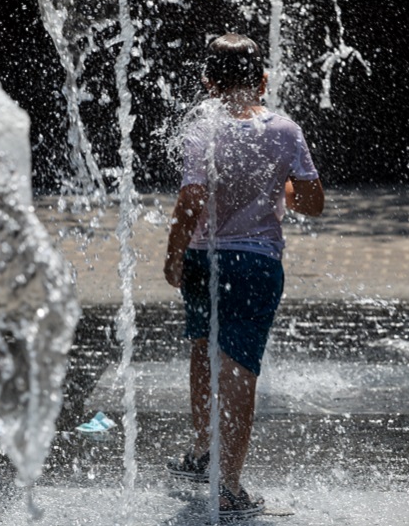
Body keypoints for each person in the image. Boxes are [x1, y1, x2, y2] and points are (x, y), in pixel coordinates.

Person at [163, 32, 324, 520]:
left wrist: (174, 253)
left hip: (202, 260)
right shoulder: (285, 130)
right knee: (241, 369)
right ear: (264, 80)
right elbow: (313, 203)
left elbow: (191, 199)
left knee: (203, 347)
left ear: (209, 83)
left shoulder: (200, 128)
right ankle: (229, 485)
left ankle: (201, 451)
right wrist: (283, 187)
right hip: (255, 264)